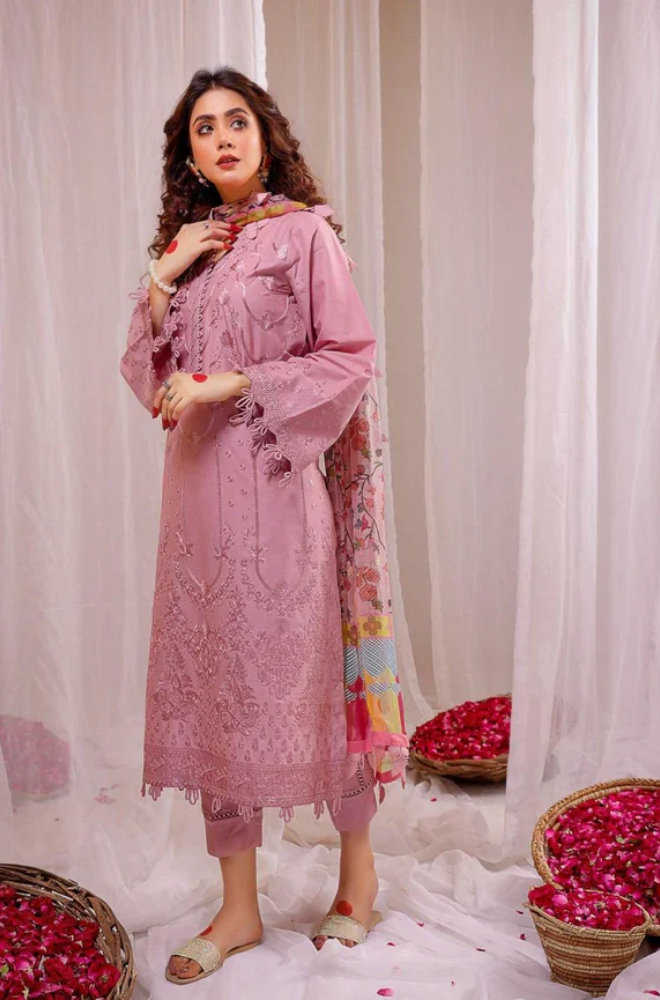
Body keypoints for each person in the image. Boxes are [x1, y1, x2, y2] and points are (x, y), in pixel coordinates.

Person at [120, 66, 407, 986]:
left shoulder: (302, 236)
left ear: (265, 134)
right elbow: (149, 379)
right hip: (194, 503)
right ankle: (238, 905)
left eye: (236, 120)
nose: (222, 138)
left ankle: (357, 878)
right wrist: (161, 279)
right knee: (213, 687)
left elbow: (349, 357)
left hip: (280, 494)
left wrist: (236, 382)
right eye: (203, 130)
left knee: (311, 678)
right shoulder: (190, 249)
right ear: (191, 156)